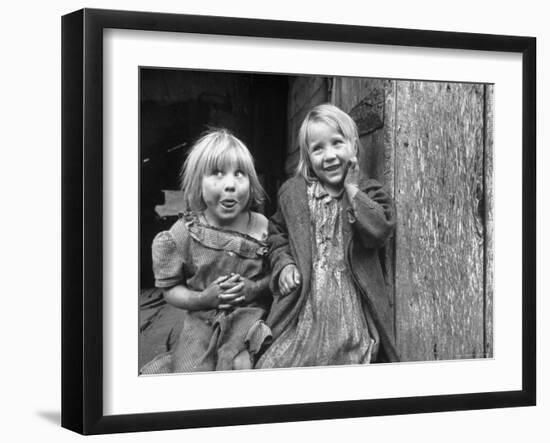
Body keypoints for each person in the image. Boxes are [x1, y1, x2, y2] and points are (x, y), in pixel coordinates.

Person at [256, 103, 399, 369]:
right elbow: (276, 234)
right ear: (307, 157)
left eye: (337, 143)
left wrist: (352, 190)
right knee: (279, 362)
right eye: (318, 148)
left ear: (353, 146)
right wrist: (284, 264)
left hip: (349, 304)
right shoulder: (294, 193)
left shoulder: (370, 192)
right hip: (305, 301)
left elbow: (378, 232)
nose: (329, 155)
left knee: (345, 360)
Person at [140, 129, 272, 374]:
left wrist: (254, 288)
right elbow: (170, 289)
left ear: (252, 184)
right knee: (190, 371)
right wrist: (202, 299)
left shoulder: (264, 226)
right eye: (217, 174)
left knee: (247, 365)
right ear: (198, 183)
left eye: (239, 174)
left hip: (251, 319)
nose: (230, 185)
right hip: (202, 320)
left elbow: (276, 273)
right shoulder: (185, 232)